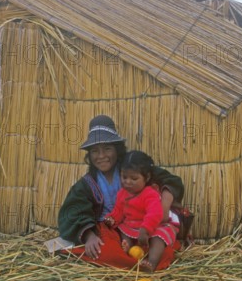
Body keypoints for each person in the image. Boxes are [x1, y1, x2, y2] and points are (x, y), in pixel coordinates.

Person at [57, 115, 185, 271]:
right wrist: (89, 235)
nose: (101, 156)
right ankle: (135, 263)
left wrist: (164, 207)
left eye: (107, 149)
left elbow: (170, 180)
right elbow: (72, 212)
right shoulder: (87, 184)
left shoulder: (133, 169)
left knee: (162, 248)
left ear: (117, 149)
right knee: (104, 252)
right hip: (113, 230)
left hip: (146, 226)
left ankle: (143, 261)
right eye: (95, 151)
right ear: (89, 155)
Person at [104, 150, 179, 272]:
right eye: (124, 177)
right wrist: (112, 218)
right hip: (132, 225)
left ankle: (151, 263)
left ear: (147, 177)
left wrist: (146, 229)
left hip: (153, 225)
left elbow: (154, 214)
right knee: (122, 230)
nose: (127, 182)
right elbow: (118, 210)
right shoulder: (122, 193)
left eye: (134, 178)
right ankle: (128, 247)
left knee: (158, 238)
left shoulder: (150, 194)